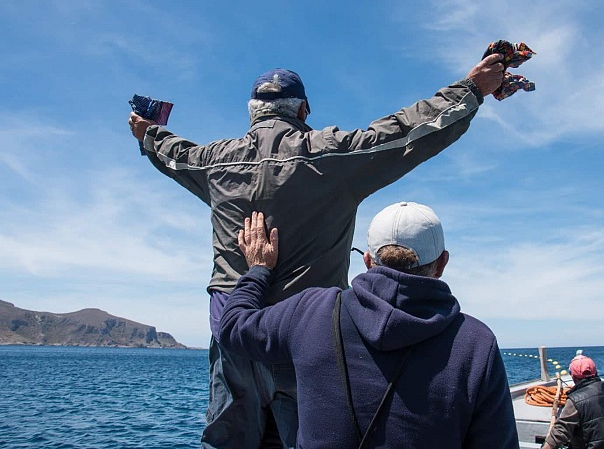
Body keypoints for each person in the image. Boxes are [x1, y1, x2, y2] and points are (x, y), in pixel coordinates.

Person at [128, 54, 507, 449]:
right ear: (303, 109)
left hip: (233, 336)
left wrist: (148, 132)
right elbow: (405, 131)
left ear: (252, 112)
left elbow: (172, 152)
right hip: (305, 340)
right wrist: (470, 90)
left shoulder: (215, 162)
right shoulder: (331, 155)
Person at [219, 203, 518, 448]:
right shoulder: (476, 343)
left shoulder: (312, 311)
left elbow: (232, 327)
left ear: (367, 260)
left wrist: (258, 269)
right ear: (442, 263)